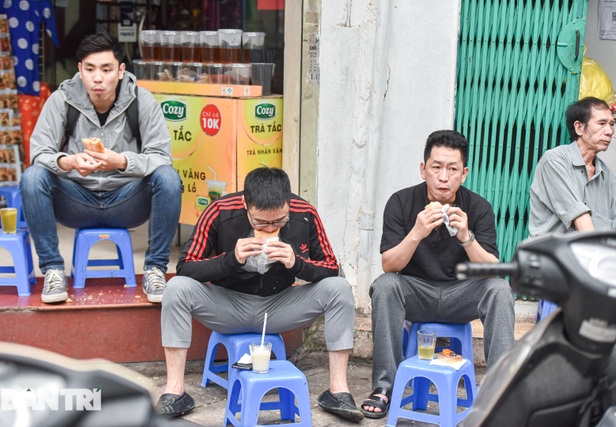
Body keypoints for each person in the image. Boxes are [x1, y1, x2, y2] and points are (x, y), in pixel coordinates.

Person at [156, 167, 364, 423]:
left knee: (339, 289)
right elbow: (186, 266)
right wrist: (231, 259)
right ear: (245, 204)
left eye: (279, 221)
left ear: (288, 203)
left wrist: (296, 263)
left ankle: (338, 391)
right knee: (176, 288)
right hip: (227, 304)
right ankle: (175, 392)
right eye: (261, 222)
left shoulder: (305, 213)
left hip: (280, 306)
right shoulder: (220, 210)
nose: (270, 227)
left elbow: (332, 267)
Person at [360, 130, 515, 419]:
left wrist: (466, 237)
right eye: (436, 167)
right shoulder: (401, 202)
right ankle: (384, 387)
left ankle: (500, 391)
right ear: (423, 169)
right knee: (385, 286)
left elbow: (492, 269)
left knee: (499, 290)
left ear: (464, 173)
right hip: (416, 292)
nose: (444, 177)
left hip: (461, 295)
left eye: (452, 169)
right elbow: (389, 264)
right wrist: (416, 232)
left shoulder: (478, 207)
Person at [20, 33, 182, 304]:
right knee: (32, 177)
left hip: (127, 201)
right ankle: (52, 270)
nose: (98, 78)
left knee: (168, 178)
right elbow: (39, 154)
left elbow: (161, 156)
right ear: (79, 70)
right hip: (75, 200)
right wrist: (67, 162)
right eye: (90, 69)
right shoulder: (61, 100)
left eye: (106, 69)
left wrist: (122, 162)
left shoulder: (142, 101)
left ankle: (155, 269)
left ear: (120, 71)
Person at [529, 97, 616, 236]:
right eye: (602, 123)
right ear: (579, 127)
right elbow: (580, 218)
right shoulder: (554, 161)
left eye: (612, 124)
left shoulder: (609, 177)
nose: (610, 131)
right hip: (552, 255)